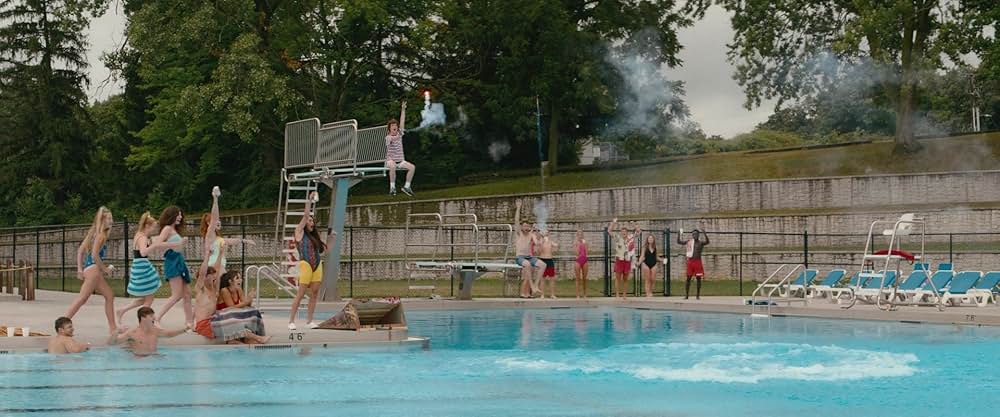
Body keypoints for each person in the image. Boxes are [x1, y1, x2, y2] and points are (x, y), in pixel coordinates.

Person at [115, 211, 179, 326]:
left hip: (140, 266)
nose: (154, 230)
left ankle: (122, 311)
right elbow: (143, 252)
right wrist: (154, 245)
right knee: (149, 299)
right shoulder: (142, 237)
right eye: (153, 227)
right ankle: (144, 323)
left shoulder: (139, 235)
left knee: (146, 298)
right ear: (147, 226)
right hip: (142, 267)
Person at [65, 207, 118, 336]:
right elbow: (94, 255)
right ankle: (62, 325)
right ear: (102, 220)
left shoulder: (93, 232)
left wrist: (79, 269)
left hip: (91, 270)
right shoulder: (101, 235)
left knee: (109, 296)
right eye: (108, 219)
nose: (111, 221)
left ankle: (113, 329)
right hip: (94, 270)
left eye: (112, 218)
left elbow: (80, 250)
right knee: (81, 299)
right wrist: (105, 269)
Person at [288, 191, 334, 330]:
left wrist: (332, 239)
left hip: (317, 264)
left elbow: (327, 251)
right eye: (308, 219)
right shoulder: (299, 232)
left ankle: (309, 320)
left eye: (312, 220)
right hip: (306, 264)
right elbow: (306, 214)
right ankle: (291, 321)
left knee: (314, 292)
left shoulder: (315, 237)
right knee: (301, 293)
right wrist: (309, 200)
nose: (310, 220)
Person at [154, 205, 192, 327]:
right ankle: (157, 319)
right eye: (178, 214)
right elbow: (158, 245)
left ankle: (190, 322)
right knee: (176, 295)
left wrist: (179, 244)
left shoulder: (174, 230)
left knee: (187, 294)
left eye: (181, 215)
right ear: (171, 215)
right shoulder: (167, 229)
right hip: (172, 261)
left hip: (179, 260)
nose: (180, 217)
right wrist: (178, 243)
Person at [200, 198, 255, 276]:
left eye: (218, 220)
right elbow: (215, 215)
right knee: (225, 283)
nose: (218, 222)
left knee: (223, 285)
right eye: (215, 221)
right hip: (215, 264)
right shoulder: (209, 234)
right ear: (209, 223)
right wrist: (215, 200)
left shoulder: (216, 237)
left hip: (219, 264)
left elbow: (230, 241)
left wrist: (244, 240)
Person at [110, 307, 188, 356]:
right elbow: (113, 343)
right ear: (143, 318)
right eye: (151, 316)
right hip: (139, 360)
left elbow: (168, 334)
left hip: (154, 357)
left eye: (153, 315)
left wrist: (185, 330)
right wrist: (116, 332)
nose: (154, 318)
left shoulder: (155, 331)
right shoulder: (132, 332)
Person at [385, 100, 416, 196]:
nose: (395, 127)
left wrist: (403, 109)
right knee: (393, 166)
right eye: (393, 126)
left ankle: (406, 187)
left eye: (396, 126)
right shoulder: (388, 137)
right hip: (390, 161)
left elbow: (402, 121)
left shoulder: (399, 133)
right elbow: (389, 141)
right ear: (389, 129)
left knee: (412, 167)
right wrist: (395, 137)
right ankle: (392, 188)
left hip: (401, 161)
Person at [513, 200, 543, 298]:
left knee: (543, 265)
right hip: (520, 257)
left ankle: (535, 285)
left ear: (529, 227)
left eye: (527, 226)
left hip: (529, 257)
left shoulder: (531, 234)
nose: (526, 227)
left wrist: (538, 236)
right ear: (522, 227)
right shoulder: (519, 233)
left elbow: (537, 242)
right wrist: (518, 208)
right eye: (524, 226)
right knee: (528, 264)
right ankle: (532, 287)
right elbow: (516, 220)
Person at [677, 228, 710, 300]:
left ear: (698, 235)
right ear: (692, 235)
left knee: (698, 278)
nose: (695, 235)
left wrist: (705, 233)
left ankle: (698, 295)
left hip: (698, 262)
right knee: (688, 278)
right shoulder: (689, 242)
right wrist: (679, 234)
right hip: (690, 262)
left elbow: (707, 242)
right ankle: (686, 295)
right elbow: (679, 242)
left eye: (696, 234)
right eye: (693, 234)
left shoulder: (700, 243)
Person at [608, 218, 636, 300]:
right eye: (622, 232)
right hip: (619, 259)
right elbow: (609, 231)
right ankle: (617, 294)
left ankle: (624, 295)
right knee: (617, 278)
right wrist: (613, 222)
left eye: (625, 232)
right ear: (621, 233)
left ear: (627, 233)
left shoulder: (630, 238)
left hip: (627, 260)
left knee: (625, 279)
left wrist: (633, 223)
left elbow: (638, 231)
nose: (624, 233)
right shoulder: (618, 238)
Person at [537, 230, 559, 299]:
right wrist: (542, 242)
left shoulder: (550, 242)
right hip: (543, 260)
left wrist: (556, 243)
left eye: (547, 233)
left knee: (552, 278)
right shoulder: (541, 242)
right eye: (545, 232)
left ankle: (552, 294)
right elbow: (539, 252)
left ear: (548, 234)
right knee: (542, 278)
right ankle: (542, 294)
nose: (546, 234)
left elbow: (557, 245)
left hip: (550, 260)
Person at [573, 229, 588, 299]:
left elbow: (587, 252)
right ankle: (577, 294)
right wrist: (579, 244)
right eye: (578, 234)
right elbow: (576, 253)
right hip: (578, 260)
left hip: (584, 260)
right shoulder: (575, 242)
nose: (580, 235)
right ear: (577, 235)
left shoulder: (585, 242)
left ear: (583, 235)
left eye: (581, 234)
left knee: (584, 278)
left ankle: (584, 294)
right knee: (577, 278)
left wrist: (584, 244)